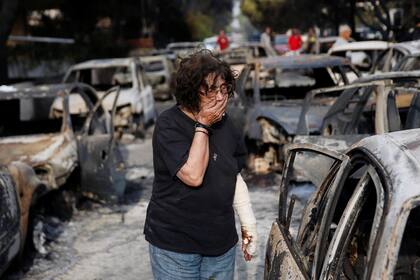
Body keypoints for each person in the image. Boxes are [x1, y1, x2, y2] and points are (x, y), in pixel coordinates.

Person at [144, 50, 257, 280]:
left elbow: (232, 177)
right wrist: (203, 125)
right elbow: (193, 176)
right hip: (175, 247)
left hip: (220, 246)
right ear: (191, 92)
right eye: (211, 90)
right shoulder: (169, 124)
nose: (219, 97)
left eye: (224, 89)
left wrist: (249, 225)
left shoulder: (227, 125)